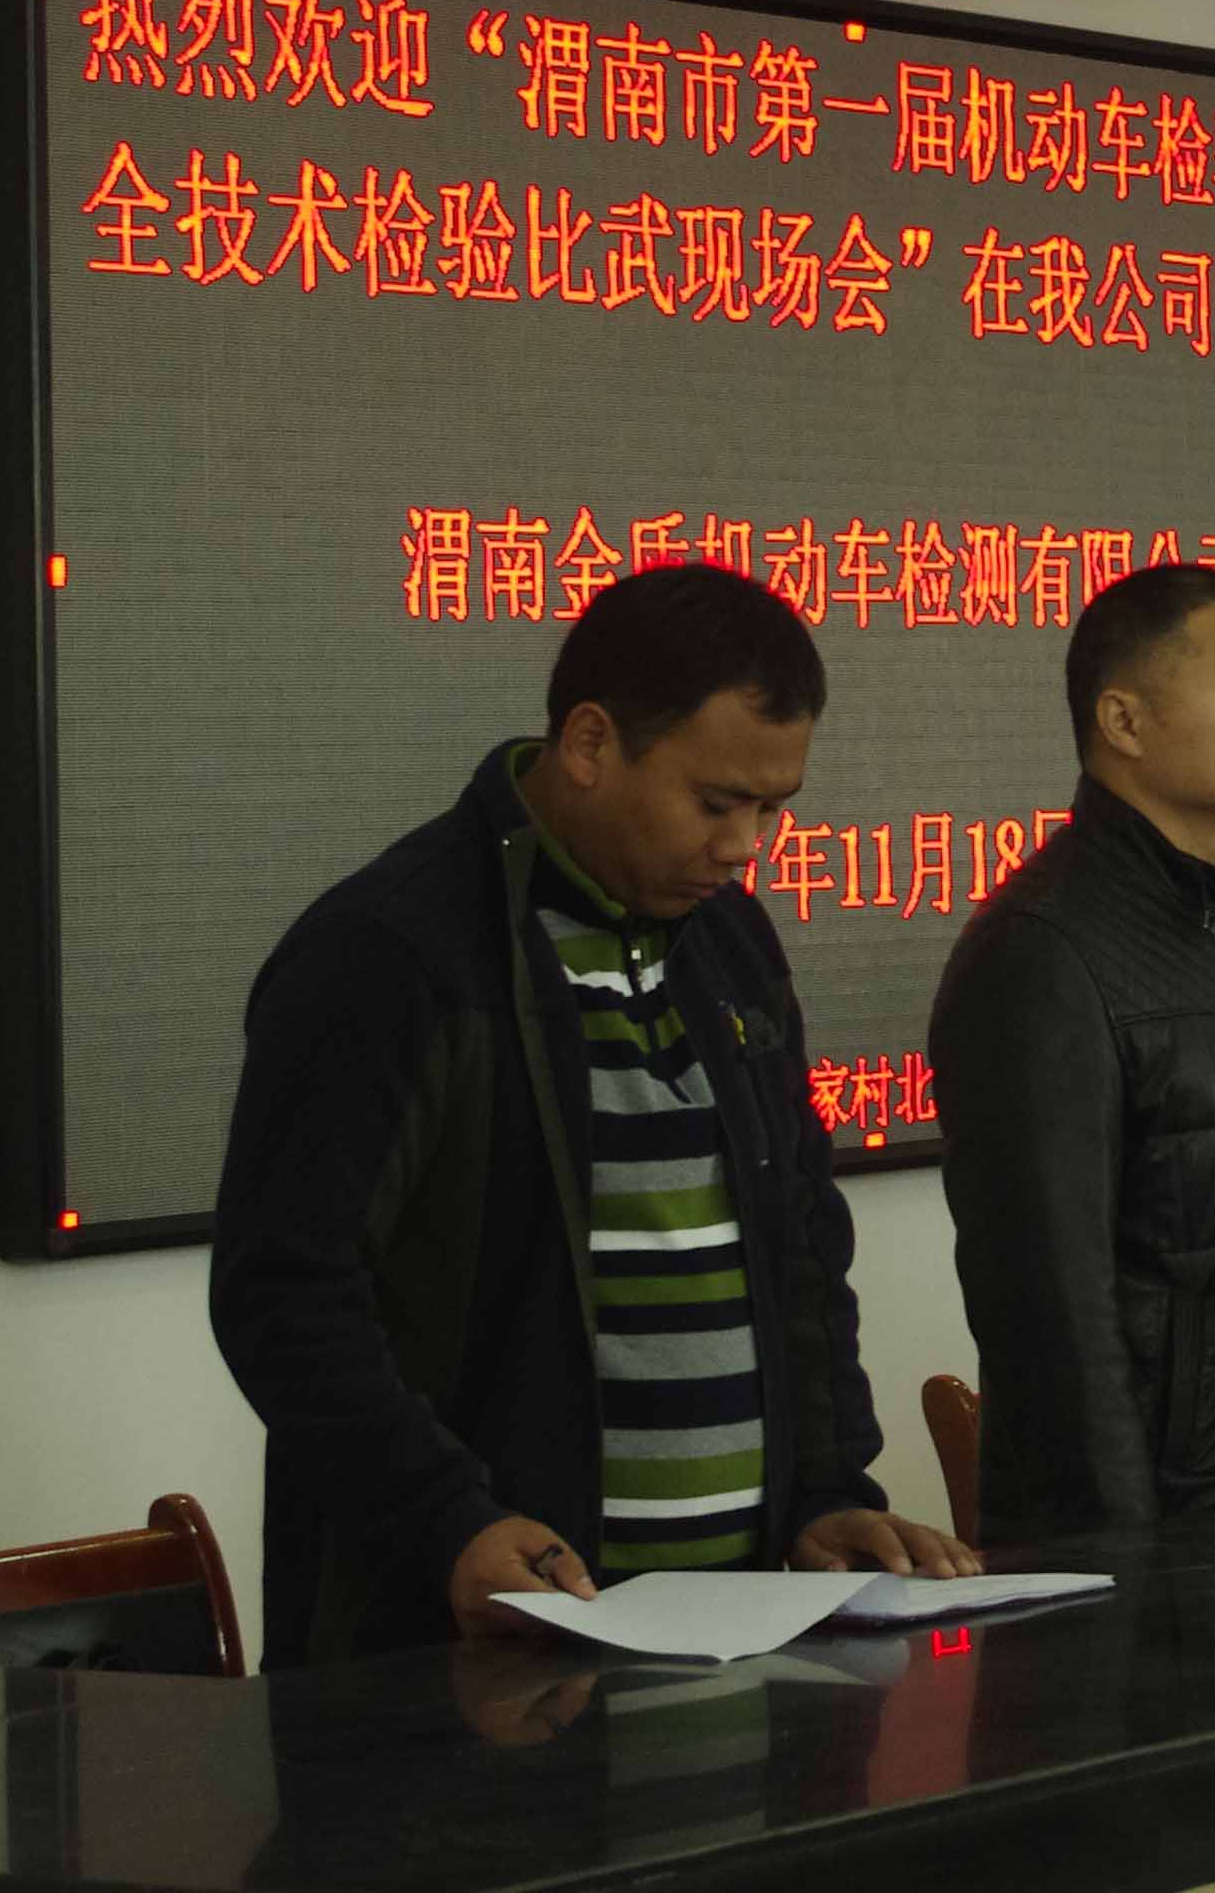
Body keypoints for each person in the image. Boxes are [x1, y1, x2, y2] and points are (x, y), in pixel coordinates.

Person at [207, 564, 973, 1665]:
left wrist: (825, 1488)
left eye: (772, 809)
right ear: (589, 743)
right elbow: (285, 1294)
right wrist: (446, 1520)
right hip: (470, 1650)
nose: (744, 845)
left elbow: (802, 1244)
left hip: (748, 1638)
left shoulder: (732, 944)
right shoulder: (392, 952)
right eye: (715, 803)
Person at [930, 563, 1215, 1542]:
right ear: (1123, 722)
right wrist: (1122, 1555)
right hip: (1164, 1539)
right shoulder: (1041, 951)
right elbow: (1049, 1313)